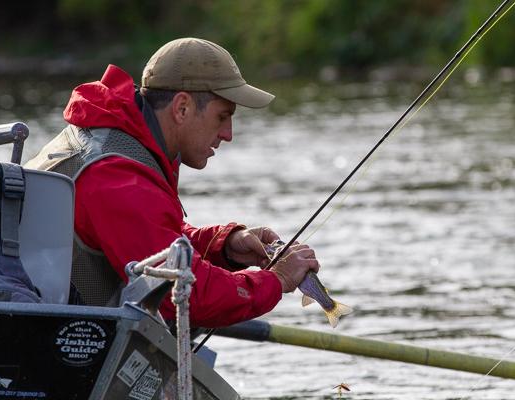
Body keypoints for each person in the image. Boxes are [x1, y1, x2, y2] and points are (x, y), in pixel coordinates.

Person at [24, 38, 319, 328]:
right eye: (222, 116)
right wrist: (278, 279)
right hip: (47, 343)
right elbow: (187, 294)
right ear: (182, 108)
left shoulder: (117, 137)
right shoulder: (120, 178)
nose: (228, 134)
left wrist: (224, 245)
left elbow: (155, 239)